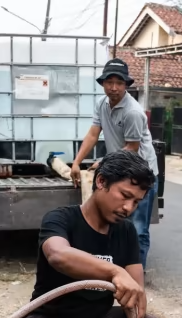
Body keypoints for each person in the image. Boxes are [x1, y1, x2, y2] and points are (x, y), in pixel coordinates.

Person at [17, 150, 169, 318]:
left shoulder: (126, 231)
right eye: (125, 195)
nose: (129, 208)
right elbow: (58, 255)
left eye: (136, 202)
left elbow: (136, 291)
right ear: (101, 181)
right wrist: (114, 272)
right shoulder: (61, 218)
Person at [69, 58, 160, 271]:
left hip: (141, 175)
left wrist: (104, 162)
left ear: (126, 85)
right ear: (103, 84)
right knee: (115, 223)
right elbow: (93, 134)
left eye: (119, 83)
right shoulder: (102, 104)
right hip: (119, 170)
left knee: (137, 229)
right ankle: (116, 271)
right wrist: (76, 163)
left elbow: (132, 148)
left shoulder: (133, 112)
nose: (114, 87)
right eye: (109, 82)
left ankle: (136, 278)